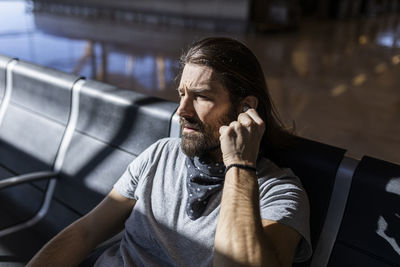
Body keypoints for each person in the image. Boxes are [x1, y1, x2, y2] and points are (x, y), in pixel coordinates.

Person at [28, 37, 312, 266]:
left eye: (200, 96)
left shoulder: (278, 193)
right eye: (181, 94)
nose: (182, 111)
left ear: (244, 108)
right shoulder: (161, 155)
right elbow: (87, 232)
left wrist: (239, 165)